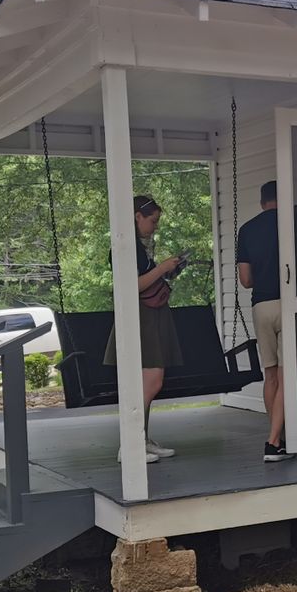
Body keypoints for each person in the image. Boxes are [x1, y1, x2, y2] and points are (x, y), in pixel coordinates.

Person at [237, 179, 297, 461]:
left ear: (263, 202)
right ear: (283, 199)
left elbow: (246, 280)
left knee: (271, 375)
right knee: (289, 376)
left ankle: (278, 436)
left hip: (261, 306)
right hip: (291, 304)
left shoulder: (247, 229)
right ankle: (273, 443)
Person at [104, 194, 186, 464]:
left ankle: (140, 438)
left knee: (147, 382)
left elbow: (147, 279)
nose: (155, 226)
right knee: (152, 381)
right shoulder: (124, 247)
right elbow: (131, 285)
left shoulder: (138, 248)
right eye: (152, 220)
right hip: (141, 318)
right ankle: (129, 442)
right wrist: (162, 267)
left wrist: (167, 271)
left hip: (151, 317)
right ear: (137, 216)